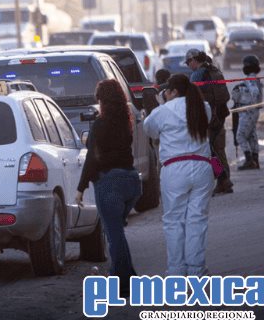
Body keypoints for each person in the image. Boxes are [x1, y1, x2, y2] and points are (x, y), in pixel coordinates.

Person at [144, 74, 215, 276]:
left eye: (166, 91)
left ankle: (176, 271)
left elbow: (150, 130)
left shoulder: (163, 111)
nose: (164, 94)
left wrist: (160, 105)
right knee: (197, 219)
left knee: (174, 221)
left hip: (175, 169)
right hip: (202, 167)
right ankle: (196, 269)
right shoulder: (203, 107)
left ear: (173, 91)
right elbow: (206, 118)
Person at [76, 79, 142, 293]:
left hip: (110, 184)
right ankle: (125, 276)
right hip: (132, 182)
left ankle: (123, 286)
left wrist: (81, 187)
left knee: (113, 236)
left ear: (101, 101)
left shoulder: (100, 124)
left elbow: (92, 160)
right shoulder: (126, 121)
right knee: (117, 233)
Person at [186, 48, 234, 194]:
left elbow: (193, 98)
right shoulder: (215, 71)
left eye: (189, 61)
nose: (188, 65)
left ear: (194, 60)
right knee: (219, 150)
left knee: (209, 153)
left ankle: (222, 178)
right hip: (219, 116)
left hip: (208, 119)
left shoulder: (197, 75)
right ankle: (224, 181)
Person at [231, 55, 264, 170]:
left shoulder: (251, 79)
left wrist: (248, 103)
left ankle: (249, 160)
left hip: (248, 111)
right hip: (253, 111)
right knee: (251, 136)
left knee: (240, 136)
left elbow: (254, 92)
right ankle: (255, 160)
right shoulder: (255, 78)